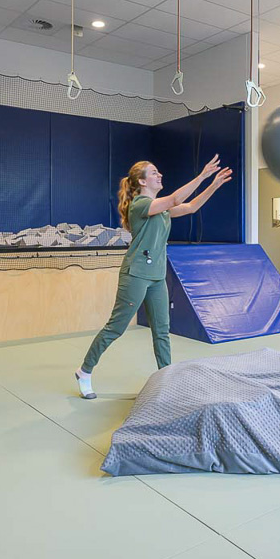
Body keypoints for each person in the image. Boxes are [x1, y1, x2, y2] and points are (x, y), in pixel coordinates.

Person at [74, 155, 233, 399]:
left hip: (157, 276)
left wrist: (214, 185)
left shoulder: (162, 208)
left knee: (161, 330)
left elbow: (190, 207)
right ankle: (84, 371)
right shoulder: (139, 205)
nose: (160, 175)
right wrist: (202, 175)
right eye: (154, 173)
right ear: (142, 181)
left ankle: (166, 380)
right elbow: (177, 199)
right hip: (136, 274)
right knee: (115, 328)